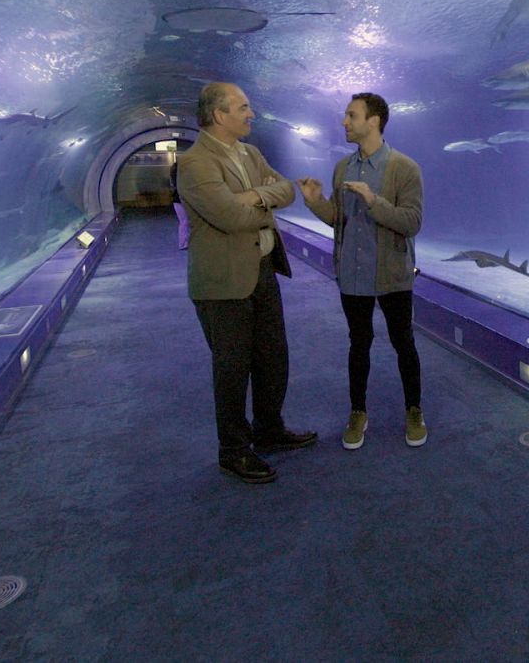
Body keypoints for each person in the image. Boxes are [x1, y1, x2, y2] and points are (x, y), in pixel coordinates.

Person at [178, 82, 317, 484]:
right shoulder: (194, 163)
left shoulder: (251, 153)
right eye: (243, 107)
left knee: (273, 356)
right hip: (222, 283)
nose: (251, 114)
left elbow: (286, 189)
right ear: (219, 115)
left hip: (261, 271)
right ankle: (234, 450)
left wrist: (251, 196)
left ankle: (269, 429)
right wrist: (262, 205)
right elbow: (229, 218)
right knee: (233, 367)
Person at [296, 92, 426, 451]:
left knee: (404, 343)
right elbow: (339, 220)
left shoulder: (404, 168)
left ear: (374, 121)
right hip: (352, 277)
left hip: (393, 276)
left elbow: (412, 222)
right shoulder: (342, 168)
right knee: (359, 344)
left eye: (351, 115)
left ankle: (414, 410)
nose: (344, 122)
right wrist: (315, 203)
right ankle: (358, 411)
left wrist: (374, 201)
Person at [169, 157, 189, 250]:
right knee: (185, 222)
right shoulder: (182, 177)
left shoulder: (174, 175)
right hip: (182, 200)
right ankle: (184, 243)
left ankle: (183, 243)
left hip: (176, 201)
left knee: (183, 222)